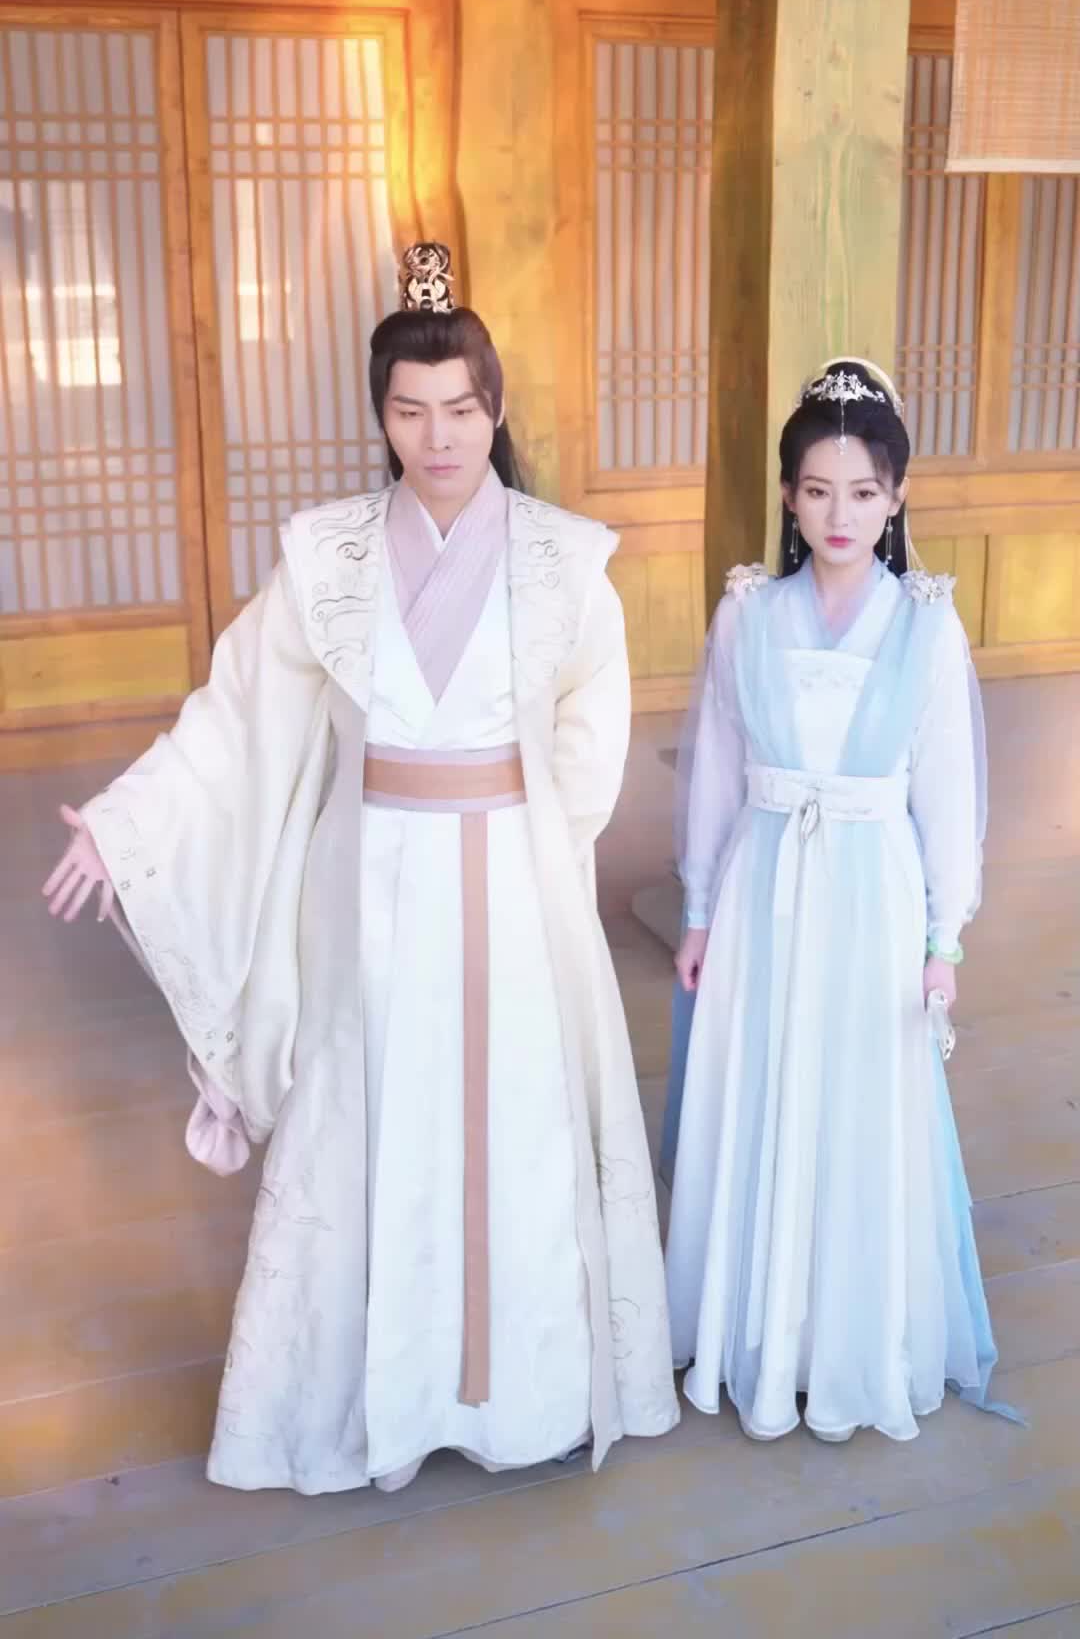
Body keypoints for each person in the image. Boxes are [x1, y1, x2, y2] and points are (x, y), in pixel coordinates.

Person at [43, 243, 678, 1495]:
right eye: (410, 411)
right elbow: (235, 712)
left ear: (495, 409)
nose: (438, 438)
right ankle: (370, 1401)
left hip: (510, 881)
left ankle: (523, 1399)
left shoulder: (564, 560)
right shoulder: (327, 558)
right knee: (369, 1122)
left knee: (514, 1130)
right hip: (368, 887)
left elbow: (590, 730)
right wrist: (122, 825)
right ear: (380, 416)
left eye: (461, 410)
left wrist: (543, 859)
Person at [664, 358, 1004, 1445]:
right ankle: (759, 1333)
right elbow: (717, 773)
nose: (839, 515)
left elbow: (946, 791)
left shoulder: (926, 625)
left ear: (897, 498)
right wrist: (700, 909)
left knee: (857, 1101)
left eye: (863, 492)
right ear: (787, 496)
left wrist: (944, 936)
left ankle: (849, 1341)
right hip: (764, 887)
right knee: (765, 1085)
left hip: (870, 893)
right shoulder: (747, 615)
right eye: (817, 490)